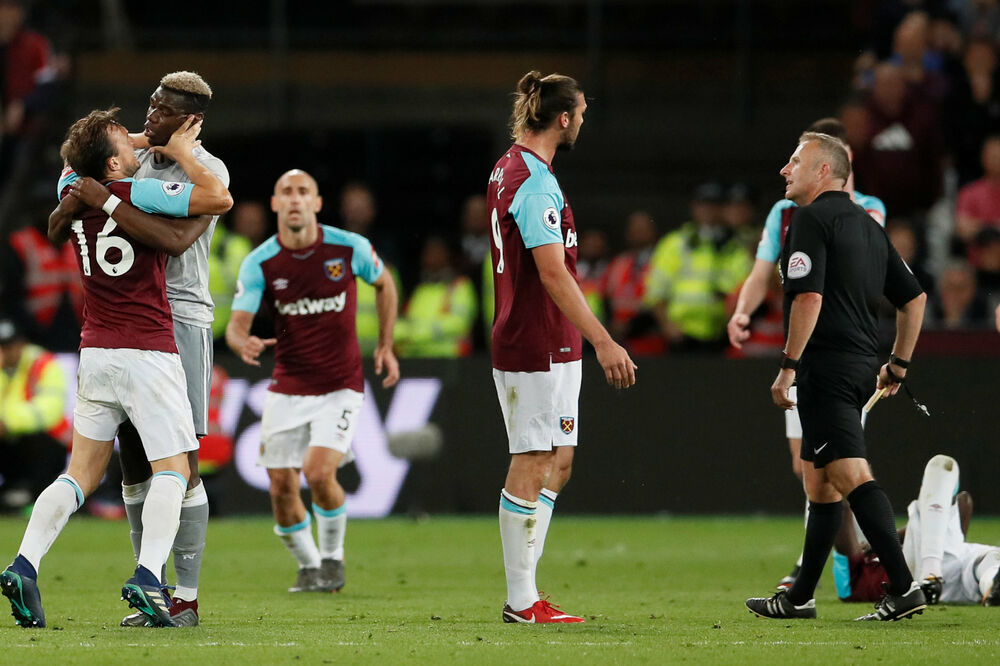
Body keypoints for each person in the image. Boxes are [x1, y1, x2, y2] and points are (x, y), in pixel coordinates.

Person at [0, 106, 232, 628]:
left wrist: (128, 146)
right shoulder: (138, 193)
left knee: (80, 474)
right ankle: (150, 578)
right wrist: (180, 151)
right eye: (124, 143)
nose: (136, 146)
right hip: (148, 351)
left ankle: (24, 564)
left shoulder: (73, 191)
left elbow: (72, 179)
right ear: (110, 163)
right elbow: (214, 200)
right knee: (173, 470)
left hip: (96, 353)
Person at [745, 131, 927, 621]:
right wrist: (898, 364)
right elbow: (914, 298)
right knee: (820, 484)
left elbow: (808, 297)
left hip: (825, 368)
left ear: (823, 171)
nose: (785, 169)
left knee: (849, 474)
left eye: (795, 160)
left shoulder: (809, 219)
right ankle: (800, 596)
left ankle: (904, 587)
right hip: (860, 365)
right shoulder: (869, 226)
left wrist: (787, 367)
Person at [488, 70, 636, 624]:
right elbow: (552, 272)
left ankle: (527, 589)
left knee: (559, 460)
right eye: (582, 116)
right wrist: (604, 340)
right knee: (532, 458)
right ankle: (521, 599)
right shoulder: (532, 181)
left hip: (552, 339)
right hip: (537, 340)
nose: (582, 125)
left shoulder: (511, 166)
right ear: (565, 117)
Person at [728, 117, 887, 591]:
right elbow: (762, 270)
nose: (789, 169)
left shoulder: (867, 210)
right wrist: (743, 311)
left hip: (839, 351)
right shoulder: (785, 212)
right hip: (807, 351)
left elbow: (857, 270)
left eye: (799, 160)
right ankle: (850, 564)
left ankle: (855, 563)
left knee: (839, 464)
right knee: (812, 466)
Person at [226, 169, 399, 593]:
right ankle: (309, 566)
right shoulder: (261, 262)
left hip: (341, 385)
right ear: (275, 204)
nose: (295, 198)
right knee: (281, 489)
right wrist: (243, 342)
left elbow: (385, 284)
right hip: (288, 386)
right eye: (286, 192)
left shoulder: (348, 247)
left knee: (319, 473)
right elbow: (236, 327)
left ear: (317, 203)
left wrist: (385, 344)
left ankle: (333, 558)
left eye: (303, 191)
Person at [833, 455, 1000, 607]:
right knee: (940, 466)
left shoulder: (889, 541)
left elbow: (964, 502)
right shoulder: (856, 575)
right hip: (919, 573)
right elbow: (840, 512)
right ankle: (931, 577)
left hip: (958, 564)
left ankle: (991, 584)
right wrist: (839, 478)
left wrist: (891, 538)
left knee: (991, 560)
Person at [644, 181, 752, 351]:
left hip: (721, 335)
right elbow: (655, 292)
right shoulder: (676, 243)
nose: (708, 210)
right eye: (703, 204)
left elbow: (744, 288)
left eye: (714, 205)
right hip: (681, 335)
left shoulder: (735, 246)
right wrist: (668, 326)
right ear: (694, 207)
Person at [0, 317, 70, 511]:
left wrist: (7, 422)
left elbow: (50, 411)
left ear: (21, 344)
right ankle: (14, 494)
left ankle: (33, 494)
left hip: (47, 443)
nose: (7, 351)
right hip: (9, 443)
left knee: (39, 444)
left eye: (10, 346)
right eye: (3, 347)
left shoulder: (43, 364)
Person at [395, 236, 476, 358]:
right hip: (416, 360)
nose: (430, 257)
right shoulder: (420, 289)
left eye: (436, 252)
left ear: (447, 255)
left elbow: (459, 324)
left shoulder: (459, 286)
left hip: (451, 361)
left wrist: (418, 333)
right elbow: (404, 322)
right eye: (427, 252)